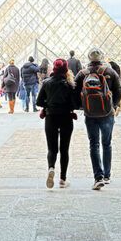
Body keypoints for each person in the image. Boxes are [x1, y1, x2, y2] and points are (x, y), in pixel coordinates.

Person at [75, 47, 121, 190]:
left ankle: (98, 176)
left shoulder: (82, 74)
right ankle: (107, 175)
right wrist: (113, 105)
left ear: (89, 58)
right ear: (101, 57)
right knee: (106, 143)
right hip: (107, 113)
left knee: (93, 144)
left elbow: (74, 92)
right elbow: (118, 90)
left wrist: (83, 106)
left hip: (90, 114)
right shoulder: (109, 72)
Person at [37, 58, 79, 189]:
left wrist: (48, 104)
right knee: (64, 149)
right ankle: (62, 179)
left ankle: (51, 168)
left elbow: (38, 102)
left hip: (51, 117)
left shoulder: (46, 83)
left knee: (52, 148)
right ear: (66, 69)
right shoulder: (69, 85)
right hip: (66, 117)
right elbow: (76, 104)